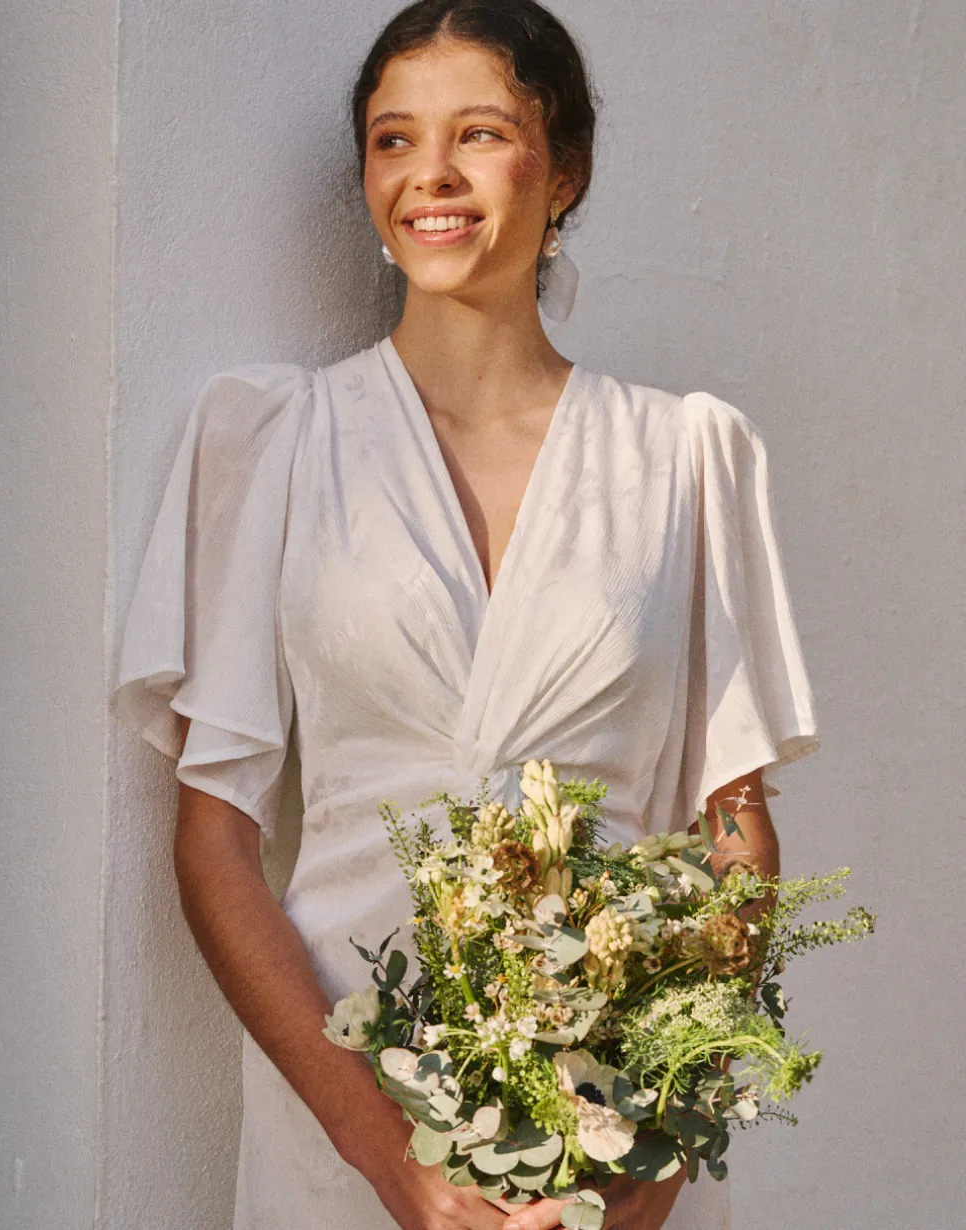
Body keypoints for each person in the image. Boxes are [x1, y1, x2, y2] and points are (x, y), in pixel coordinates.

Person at [109, 2, 820, 1227]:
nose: (428, 175)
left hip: (605, 1133)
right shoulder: (275, 443)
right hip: (340, 1120)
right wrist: (388, 1157)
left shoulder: (687, 458)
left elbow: (735, 837)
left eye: (478, 133)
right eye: (393, 141)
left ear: (568, 169)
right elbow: (215, 840)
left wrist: (654, 1153)